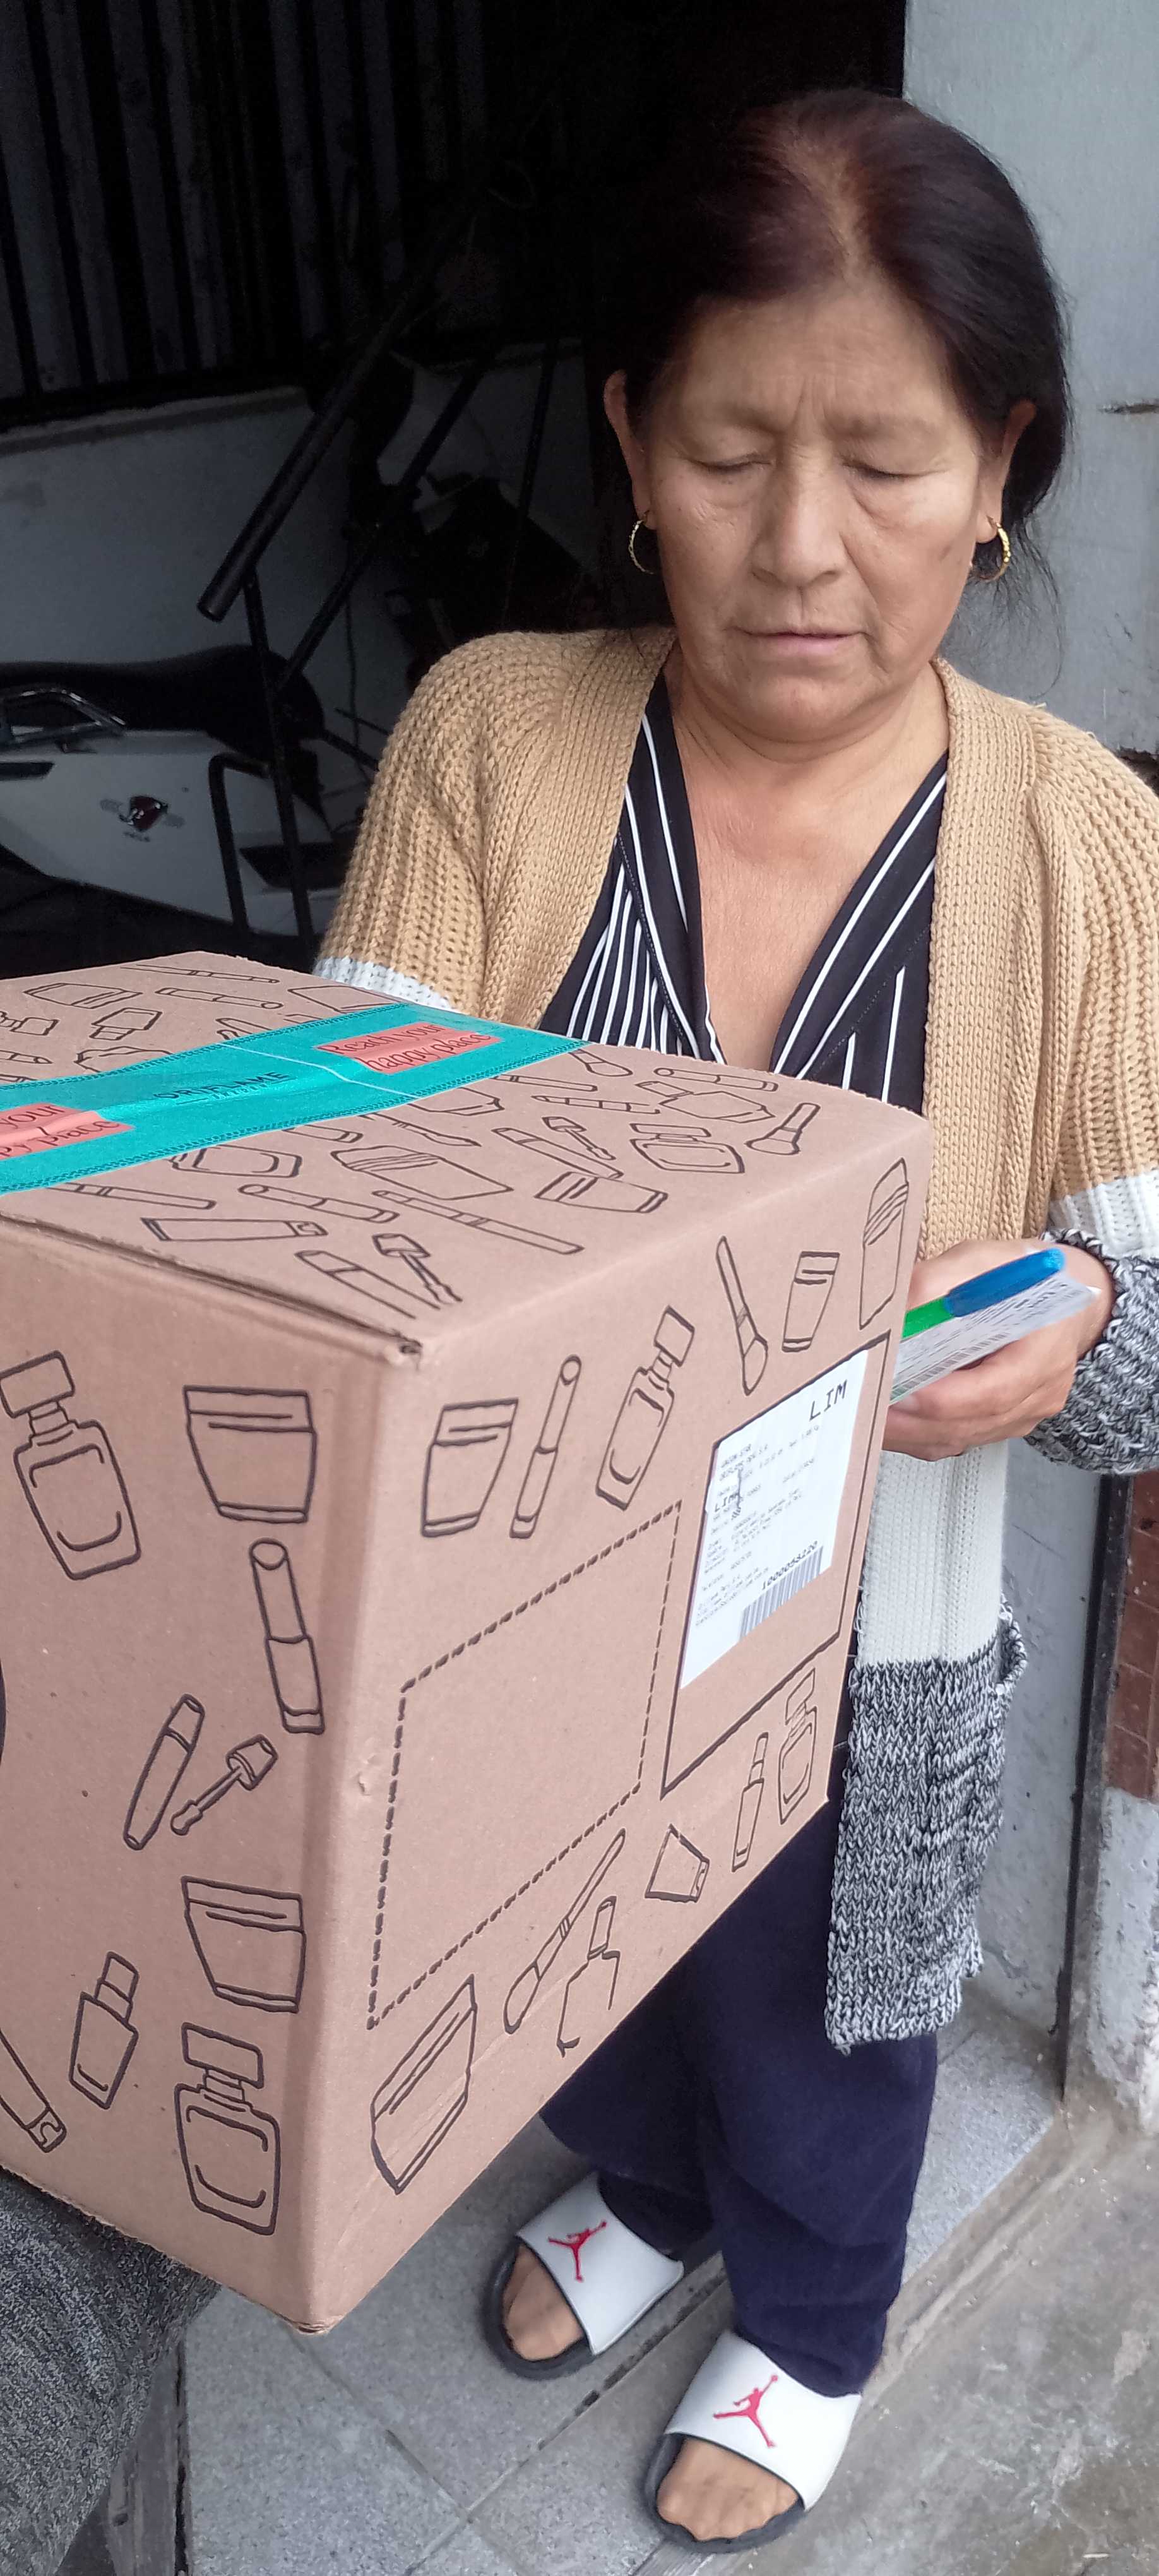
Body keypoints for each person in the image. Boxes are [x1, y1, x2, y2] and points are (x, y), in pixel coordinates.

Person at [317, 90, 1159, 2551]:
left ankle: (808, 2315)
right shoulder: (493, 737)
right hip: (533, 1592)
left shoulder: (1085, 846)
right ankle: (651, 2193)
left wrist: (1089, 1321)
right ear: (629, 448)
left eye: (885, 464)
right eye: (727, 452)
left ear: (997, 471)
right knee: (577, 1966)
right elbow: (327, 1185)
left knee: (823, 2009)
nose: (802, 546)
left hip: (859, 1628)